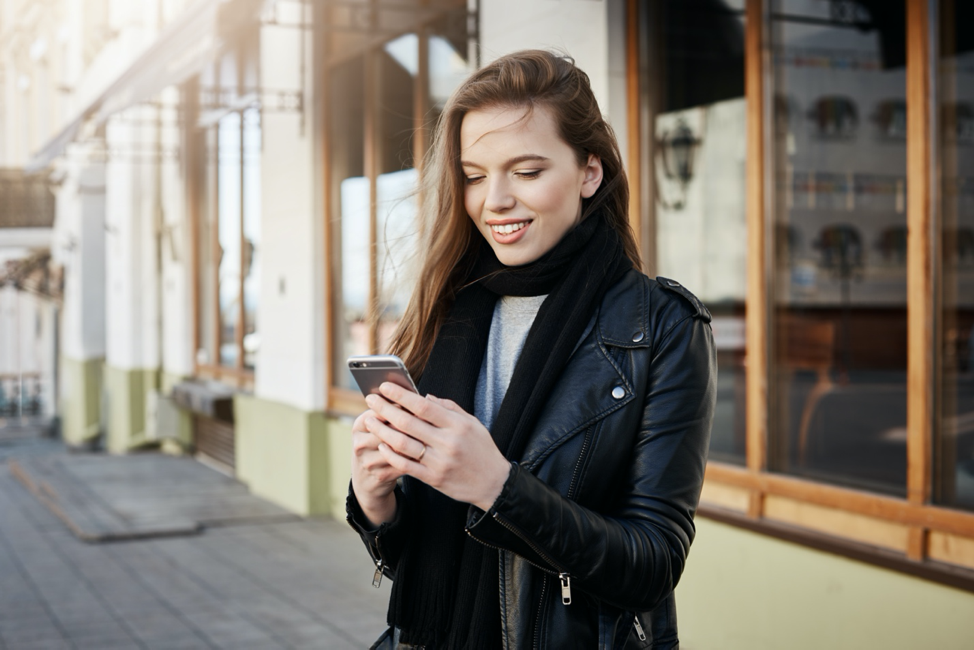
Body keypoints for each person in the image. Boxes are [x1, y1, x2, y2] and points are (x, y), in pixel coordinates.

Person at [347, 49, 716, 649]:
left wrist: (498, 487)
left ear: (589, 172)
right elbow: (412, 557)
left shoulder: (663, 326)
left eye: (526, 171)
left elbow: (652, 564)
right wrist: (375, 501)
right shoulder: (446, 308)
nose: (494, 200)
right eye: (474, 175)